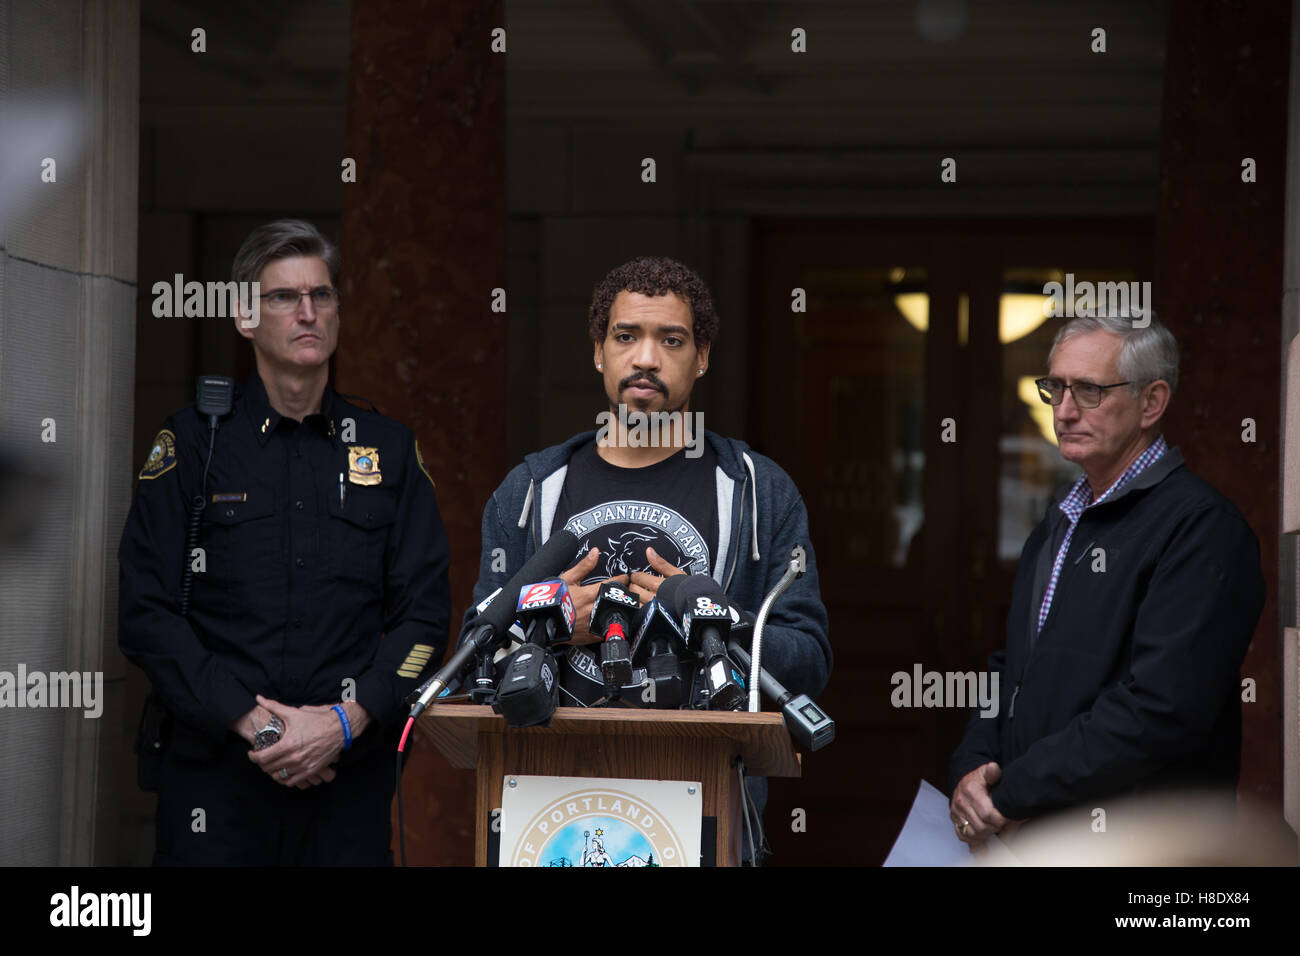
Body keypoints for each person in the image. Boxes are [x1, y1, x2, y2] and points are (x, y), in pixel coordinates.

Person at [458, 256, 832, 832]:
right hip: (549, 804)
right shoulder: (530, 490)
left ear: (702, 357)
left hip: (705, 807)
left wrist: (714, 616)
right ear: (598, 352)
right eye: (625, 336)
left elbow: (808, 661)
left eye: (672, 340)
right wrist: (544, 619)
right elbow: (470, 663)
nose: (646, 358)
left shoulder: (760, 492)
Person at [118, 220, 451, 865]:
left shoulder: (388, 448)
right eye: (283, 297)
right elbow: (144, 613)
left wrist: (345, 723)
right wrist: (260, 724)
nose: (308, 312)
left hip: (346, 781)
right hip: (215, 780)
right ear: (245, 317)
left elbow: (426, 618)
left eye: (322, 296)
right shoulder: (191, 445)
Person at [948, 314, 1264, 850]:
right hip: (1040, 837)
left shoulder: (1202, 528)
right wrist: (972, 769)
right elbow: (1015, 669)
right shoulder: (1062, 519)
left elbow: (1161, 709)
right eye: (1056, 388)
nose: (1064, 411)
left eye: (1089, 390)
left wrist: (1010, 794)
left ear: (1152, 403)